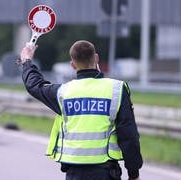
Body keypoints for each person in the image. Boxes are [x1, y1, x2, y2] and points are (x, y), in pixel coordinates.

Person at [18, 40, 143, 180]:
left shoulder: (63, 93)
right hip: (106, 173)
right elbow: (129, 135)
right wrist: (133, 173)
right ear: (96, 58)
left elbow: (34, 85)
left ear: (72, 64)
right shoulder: (117, 90)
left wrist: (27, 61)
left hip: (74, 174)